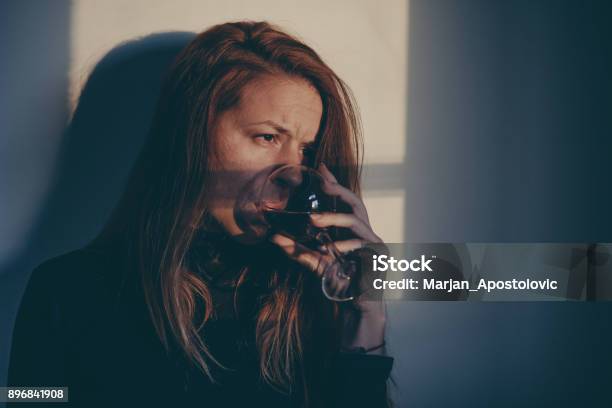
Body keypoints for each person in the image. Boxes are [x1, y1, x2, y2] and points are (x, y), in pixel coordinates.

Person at [7, 21, 393, 407]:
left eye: (306, 150)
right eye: (268, 137)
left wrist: (368, 315)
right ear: (192, 133)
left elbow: (449, 278)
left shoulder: (307, 290)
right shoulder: (63, 291)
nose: (293, 172)